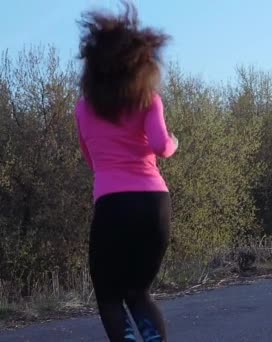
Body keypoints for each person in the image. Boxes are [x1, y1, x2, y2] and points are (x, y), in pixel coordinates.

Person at [75, 3, 177, 341]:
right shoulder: (149, 99)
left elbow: (91, 160)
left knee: (109, 295)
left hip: (113, 205)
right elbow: (162, 146)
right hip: (155, 205)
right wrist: (174, 142)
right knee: (138, 292)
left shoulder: (84, 109)